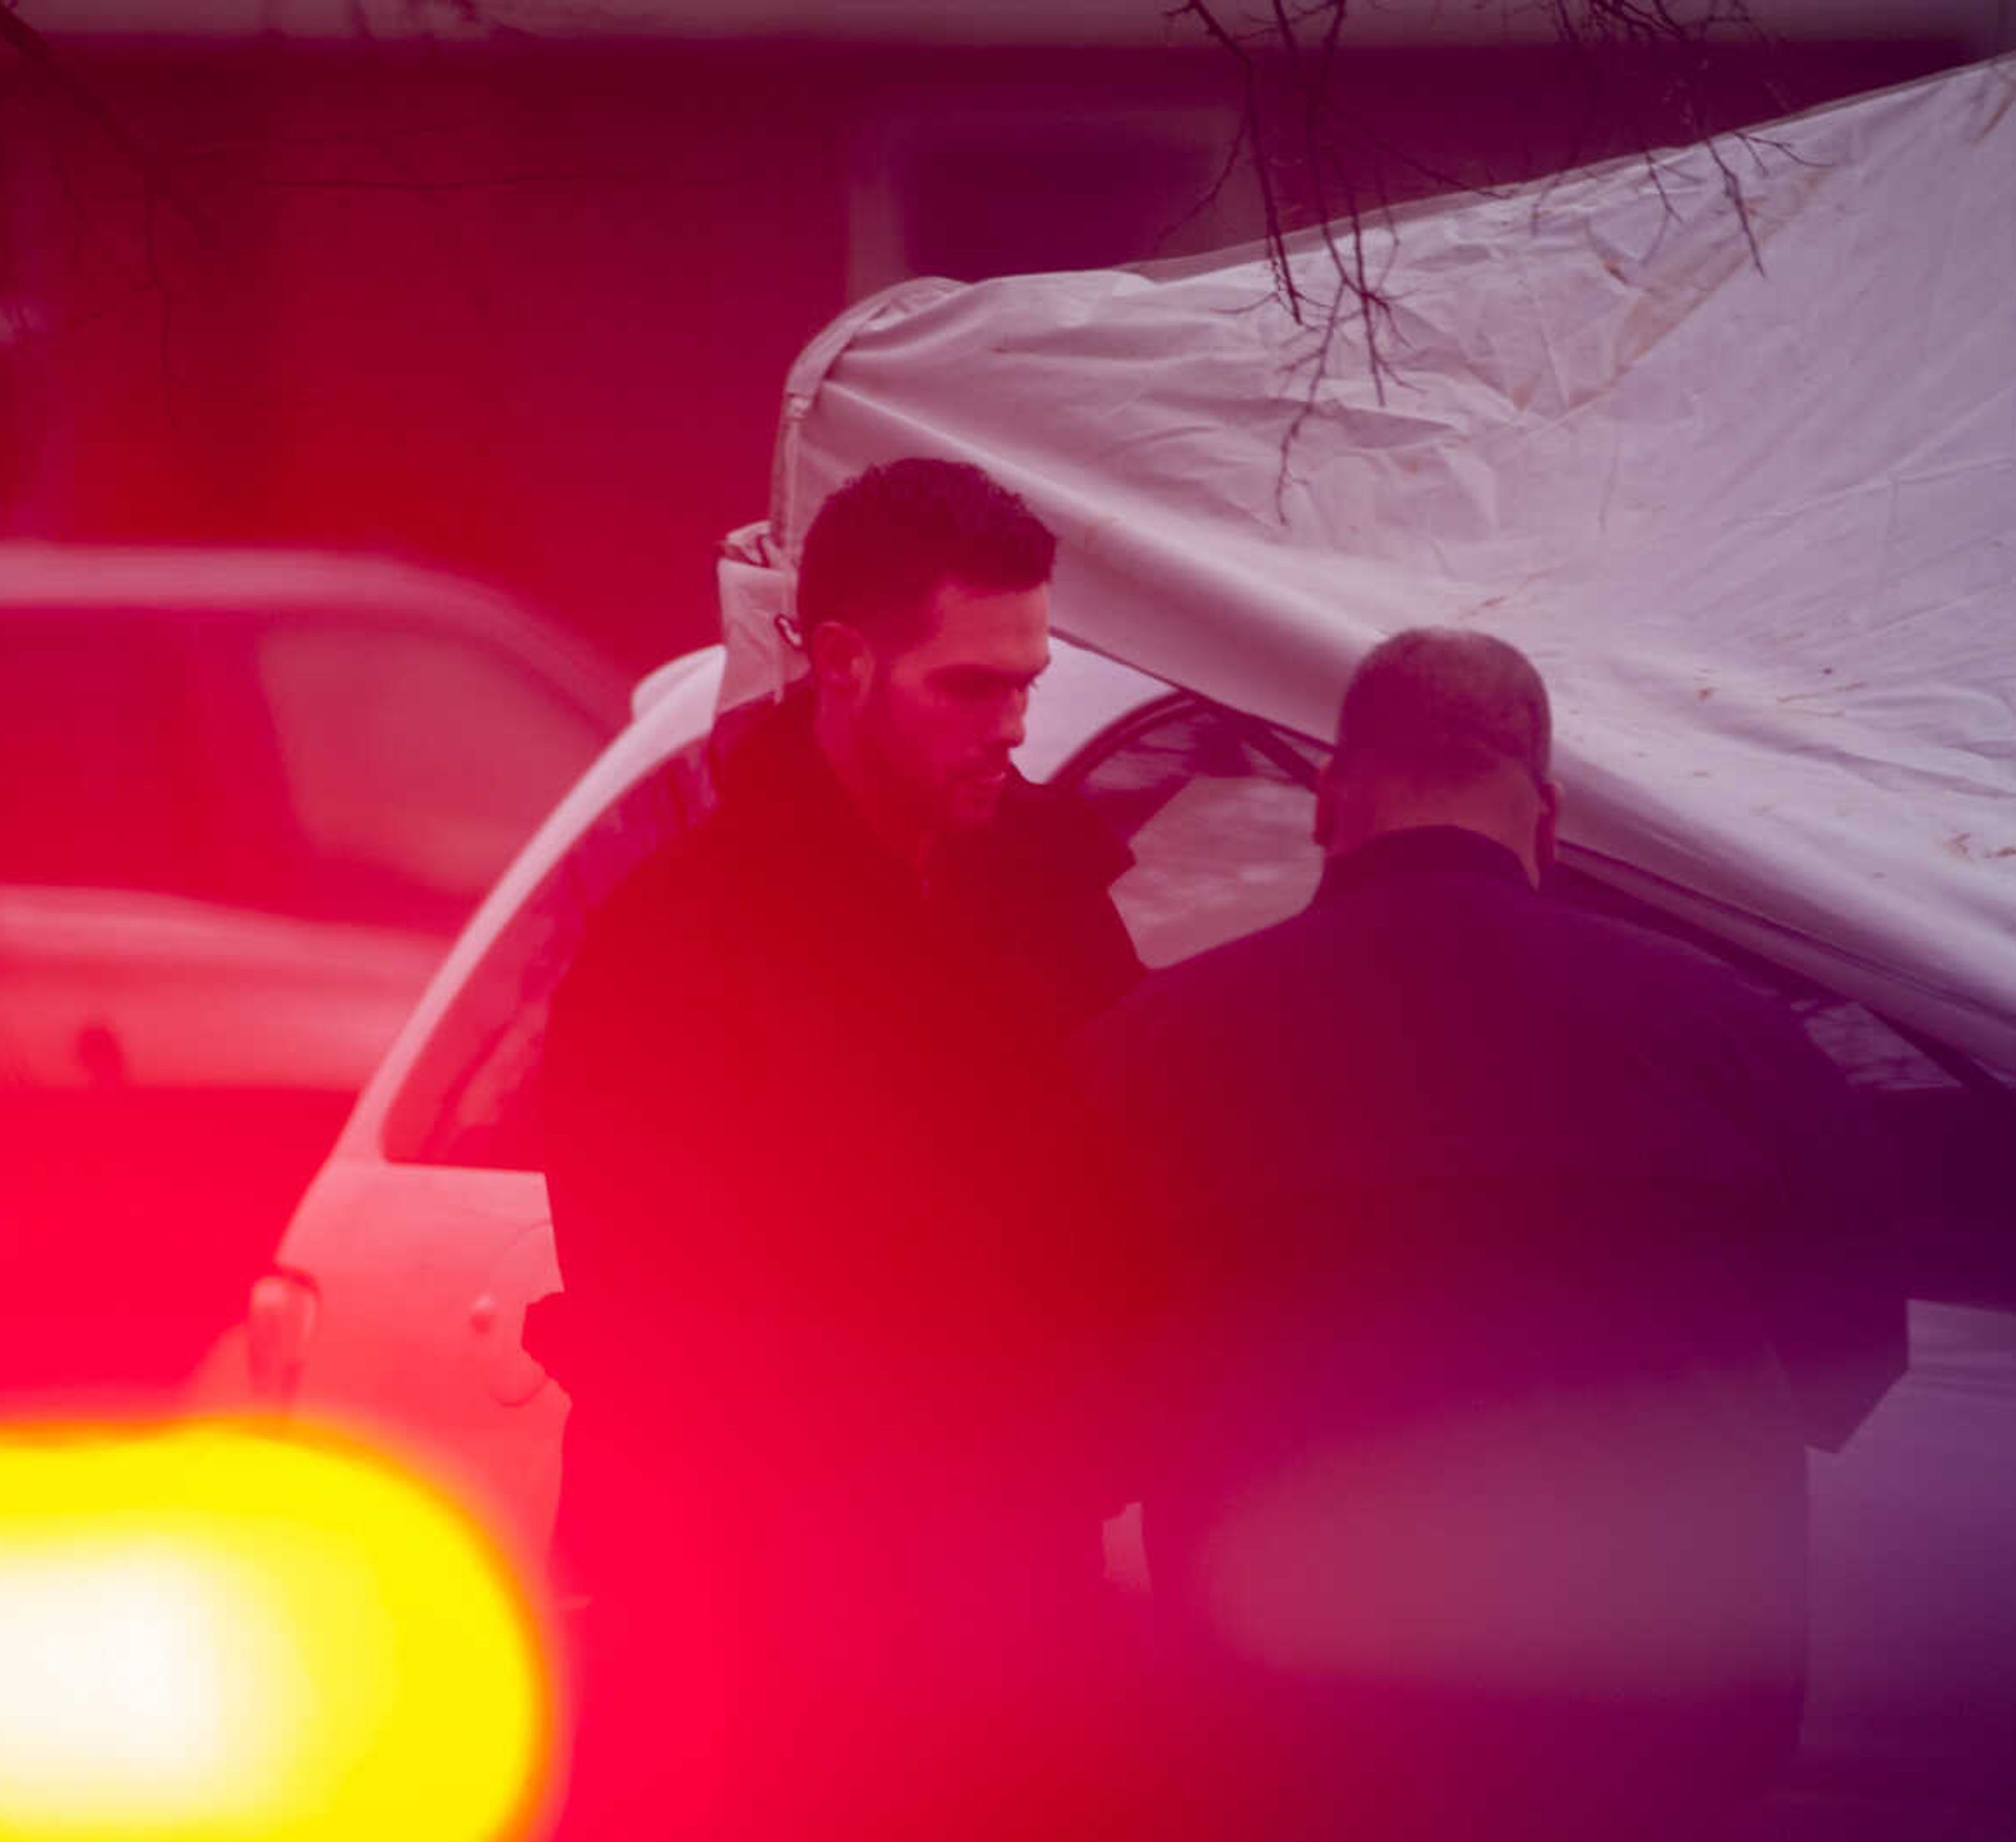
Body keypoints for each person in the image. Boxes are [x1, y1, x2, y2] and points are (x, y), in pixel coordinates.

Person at [1075, 628, 1907, 1841]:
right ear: (1549, 814)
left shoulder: (1152, 1053)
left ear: (1327, 804)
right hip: (1649, 1732)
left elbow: (1081, 1414)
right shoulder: (1737, 1037)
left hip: (1296, 1736)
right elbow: (1850, 1372)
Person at [523, 457, 1146, 1841]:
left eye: (1029, 682)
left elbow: (1132, 1185)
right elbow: (654, 1311)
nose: (1013, 726)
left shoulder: (1046, 900)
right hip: (763, 1624)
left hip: (1007, 1602)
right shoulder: (679, 943)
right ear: (846, 664)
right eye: (974, 687)